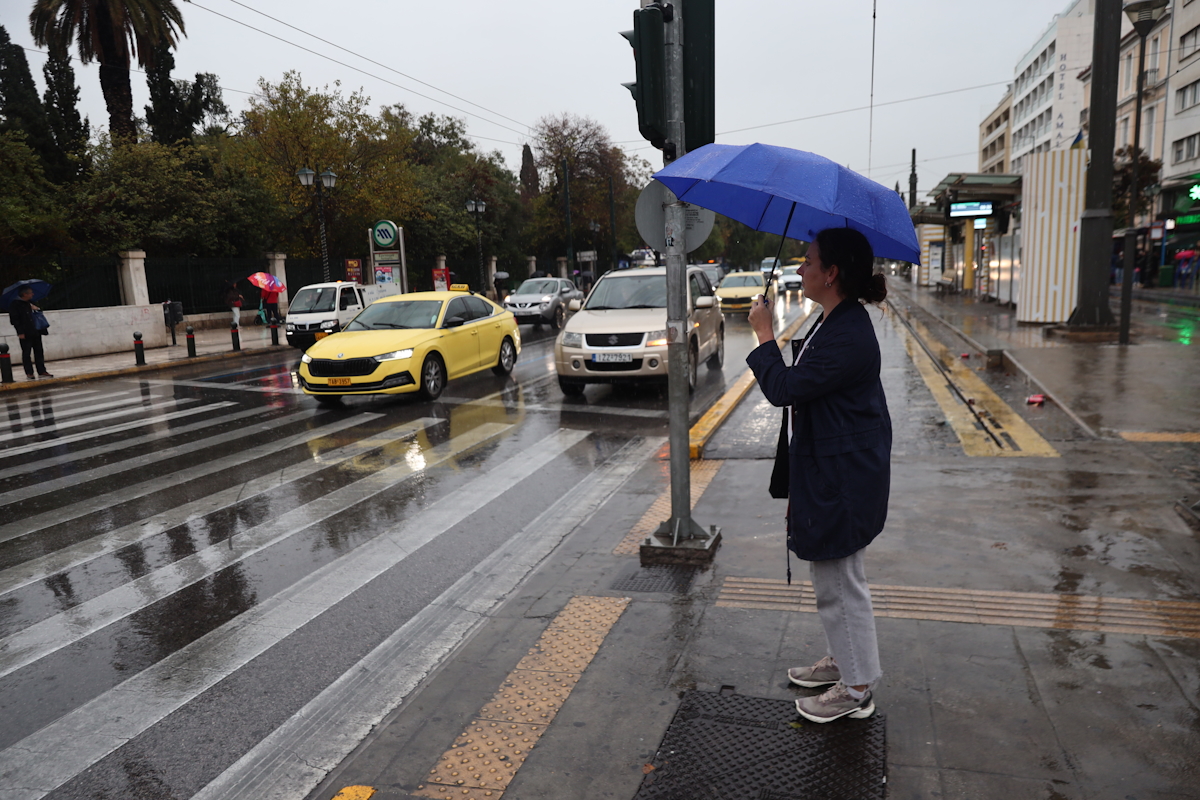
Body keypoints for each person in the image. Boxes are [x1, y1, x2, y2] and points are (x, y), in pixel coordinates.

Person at [745, 227, 891, 724]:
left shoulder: (847, 334)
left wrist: (764, 334)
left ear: (831, 273)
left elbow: (786, 389)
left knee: (840, 583)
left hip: (842, 478)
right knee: (834, 578)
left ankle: (856, 687)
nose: (800, 268)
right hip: (833, 470)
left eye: (808, 261)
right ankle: (847, 662)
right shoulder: (835, 320)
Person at [8, 285, 53, 379]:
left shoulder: (31, 303)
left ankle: (42, 370)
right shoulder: (15, 304)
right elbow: (15, 320)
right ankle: (29, 372)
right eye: (30, 293)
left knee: (39, 351)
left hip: (36, 330)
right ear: (25, 294)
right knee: (26, 353)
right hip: (25, 332)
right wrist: (20, 332)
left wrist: (36, 309)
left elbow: (38, 314)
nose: (32, 294)